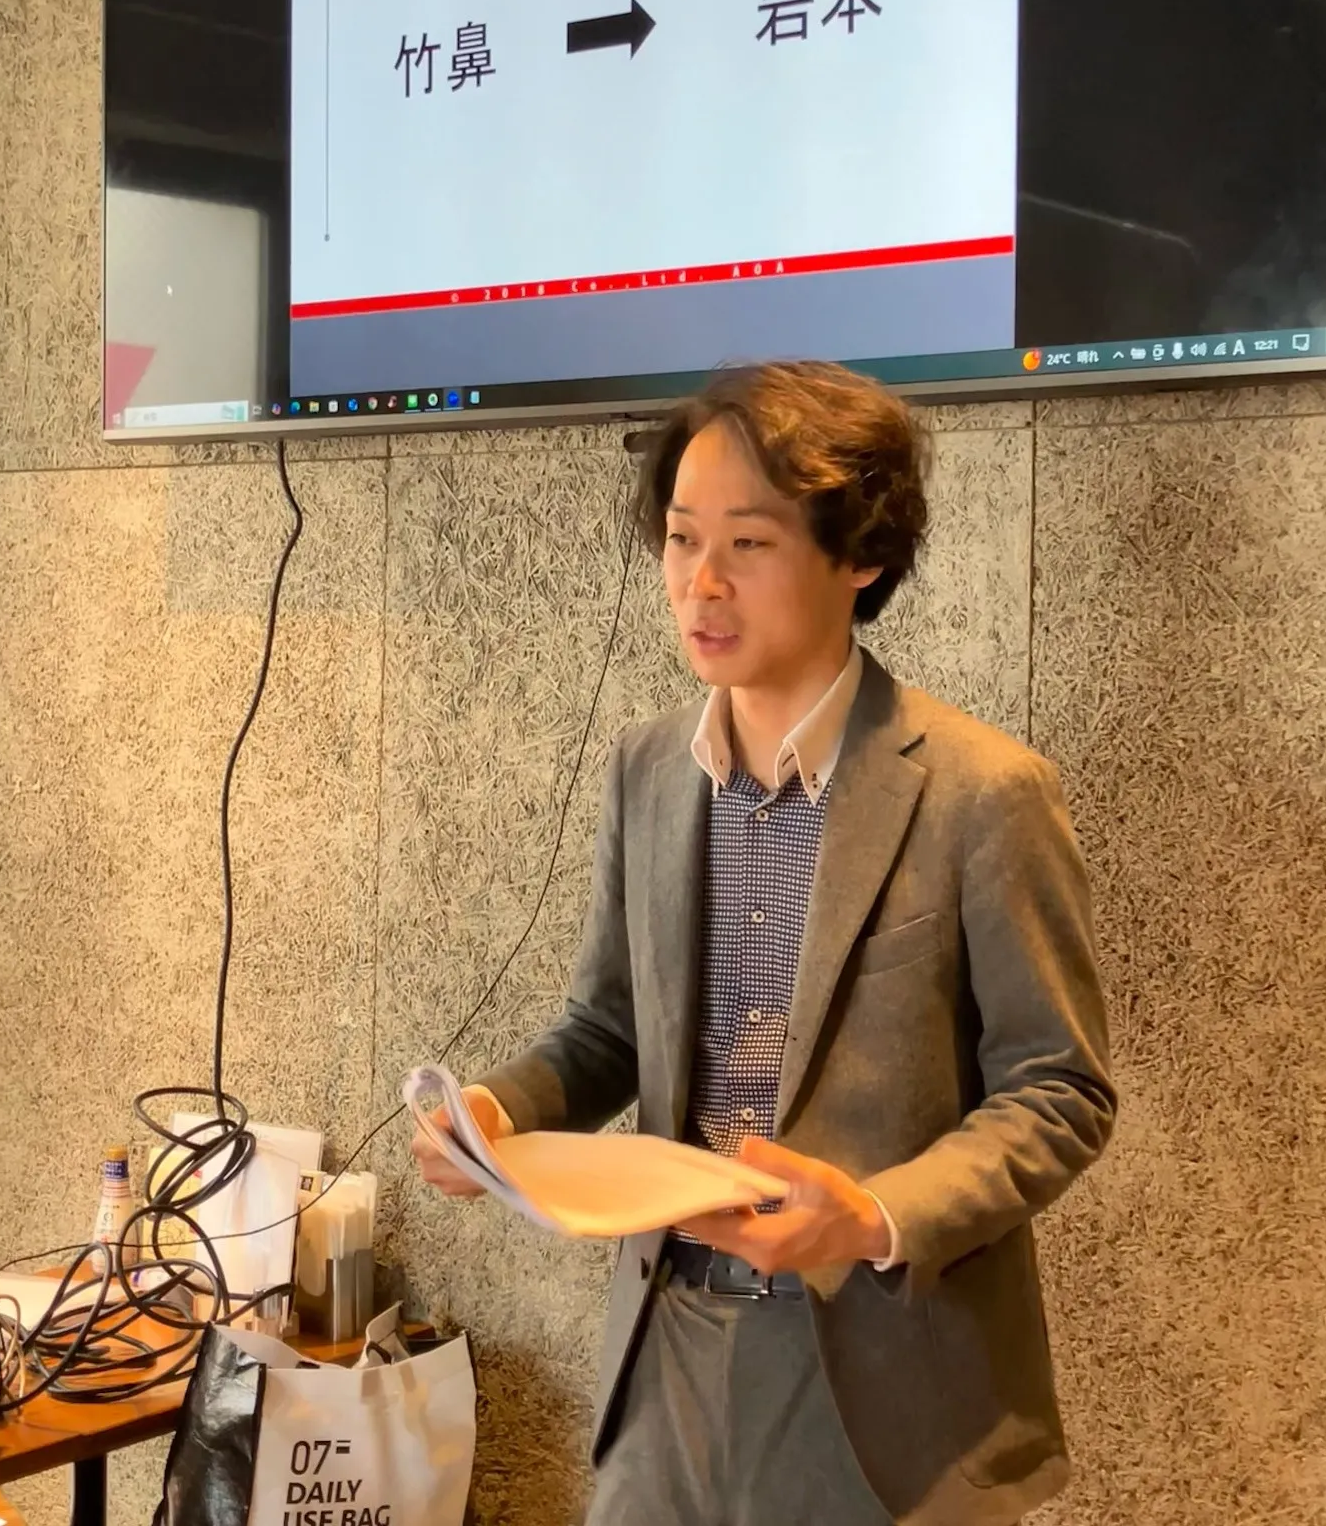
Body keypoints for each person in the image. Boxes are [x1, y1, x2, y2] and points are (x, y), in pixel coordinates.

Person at [412, 361, 1116, 1526]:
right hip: (667, 1351)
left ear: (861, 555)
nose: (702, 582)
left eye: (748, 543)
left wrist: (872, 1214)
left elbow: (1060, 1092)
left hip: (882, 1380)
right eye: (682, 539)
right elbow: (607, 1029)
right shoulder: (647, 769)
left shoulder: (984, 794)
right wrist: (498, 1114)